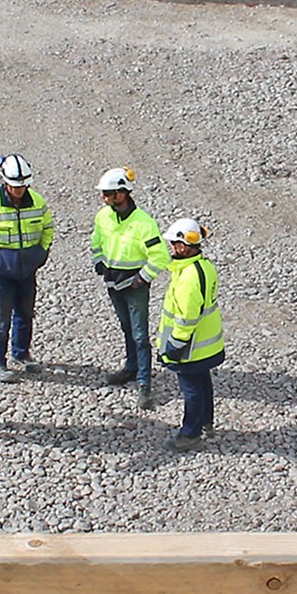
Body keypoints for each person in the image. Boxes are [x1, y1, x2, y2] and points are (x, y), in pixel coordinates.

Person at [91, 167, 170, 409]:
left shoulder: (144, 223)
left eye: (107, 193)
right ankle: (132, 368)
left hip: (134, 286)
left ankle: (144, 384)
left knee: (139, 334)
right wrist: (98, 261)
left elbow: (160, 256)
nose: (103, 198)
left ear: (122, 194)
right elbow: (97, 241)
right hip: (113, 283)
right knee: (126, 328)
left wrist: (143, 278)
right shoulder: (103, 216)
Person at [0, 153, 54, 382]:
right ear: (4, 181)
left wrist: (41, 254)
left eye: (23, 186)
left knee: (25, 314)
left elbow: (48, 229)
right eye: (15, 186)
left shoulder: (38, 202)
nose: (19, 190)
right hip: (1, 274)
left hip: (27, 271)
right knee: (0, 319)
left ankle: (21, 354)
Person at [157, 217, 225, 452]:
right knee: (202, 382)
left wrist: (175, 344)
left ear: (184, 246)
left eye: (174, 244)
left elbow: (187, 317)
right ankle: (206, 421)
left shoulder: (187, 278)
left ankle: (190, 433)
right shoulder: (204, 266)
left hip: (190, 346)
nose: (171, 248)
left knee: (191, 389)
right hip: (206, 344)